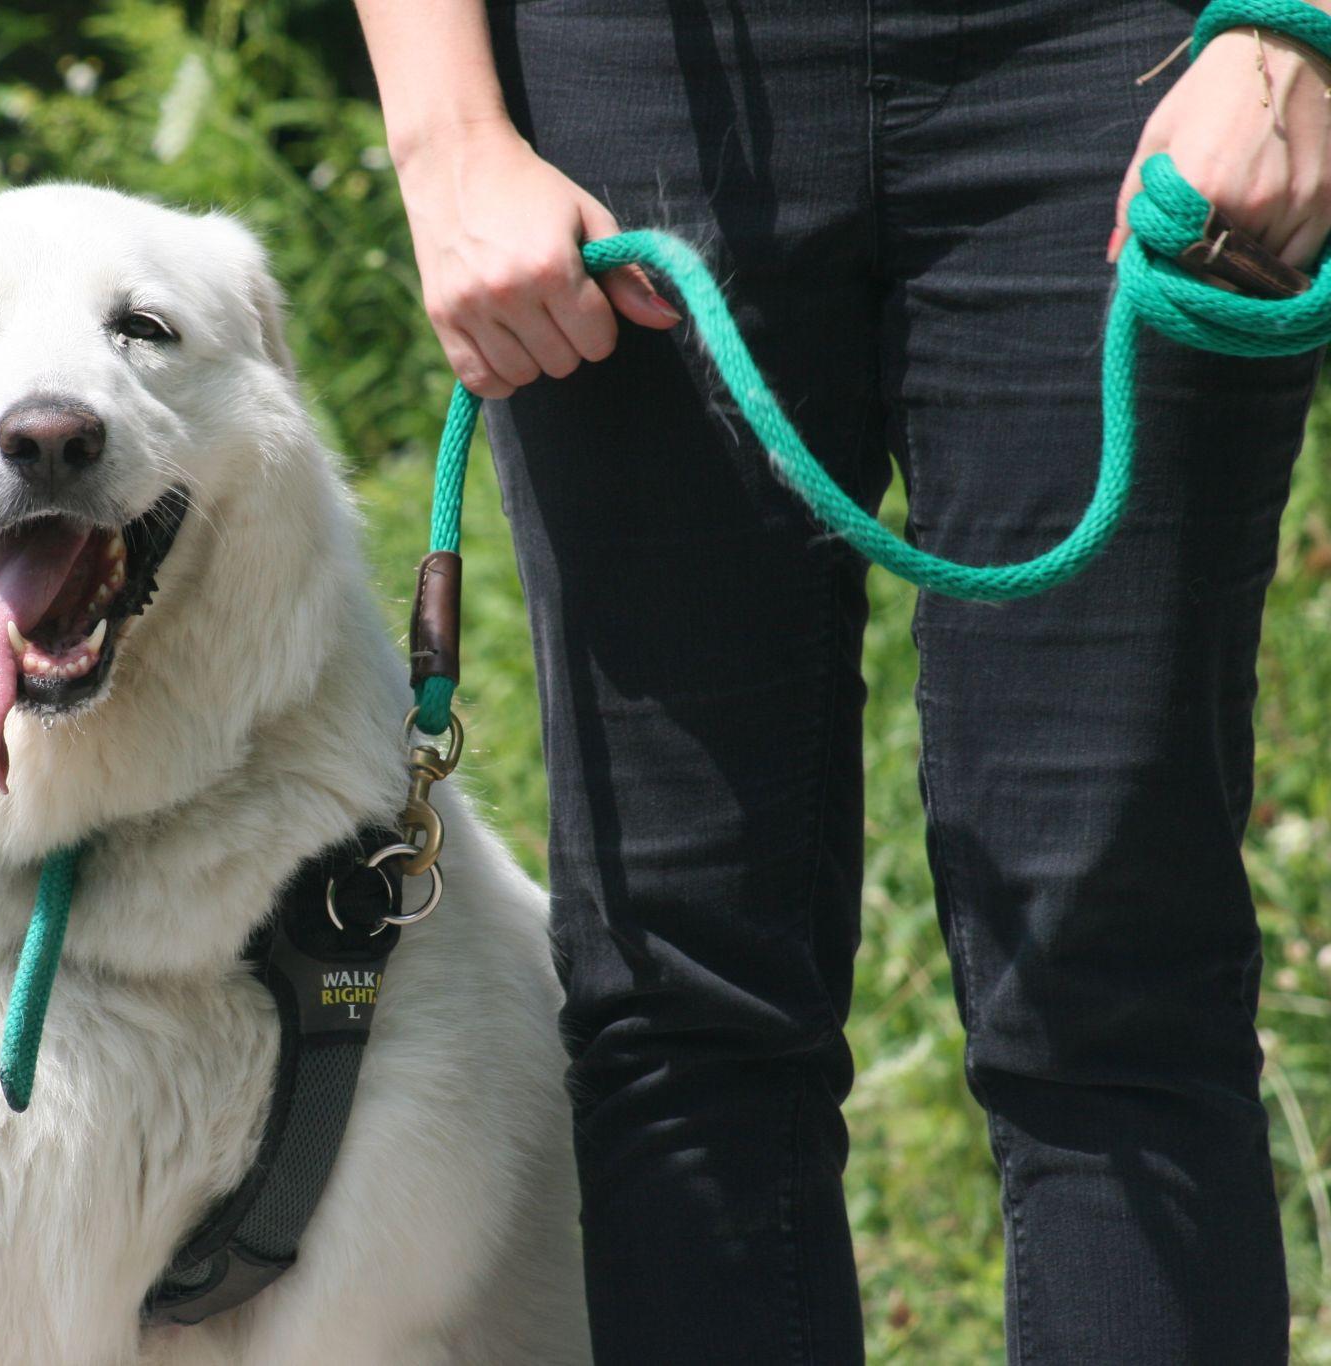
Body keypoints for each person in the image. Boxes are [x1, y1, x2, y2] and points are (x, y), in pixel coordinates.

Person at [351, 1, 1329, 1361]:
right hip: (638, 79)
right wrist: (448, 132)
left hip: (1133, 56)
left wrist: (1301, 39)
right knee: (679, 1001)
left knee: (1122, 979)